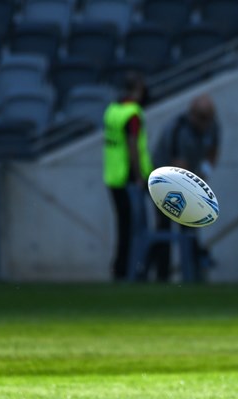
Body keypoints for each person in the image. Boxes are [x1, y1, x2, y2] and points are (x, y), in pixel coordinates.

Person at [149, 94, 221, 281]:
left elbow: (213, 150)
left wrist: (205, 173)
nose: (206, 124)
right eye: (203, 119)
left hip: (189, 178)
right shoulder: (177, 130)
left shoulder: (212, 126)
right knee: (164, 227)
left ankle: (193, 274)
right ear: (193, 116)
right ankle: (161, 275)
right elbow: (178, 169)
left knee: (191, 227)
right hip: (165, 183)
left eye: (209, 119)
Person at [103, 71, 153, 281]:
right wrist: (139, 175)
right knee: (135, 227)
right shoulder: (132, 114)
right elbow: (133, 145)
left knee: (123, 225)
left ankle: (120, 268)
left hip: (113, 175)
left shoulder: (112, 110)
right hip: (129, 177)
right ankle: (132, 269)